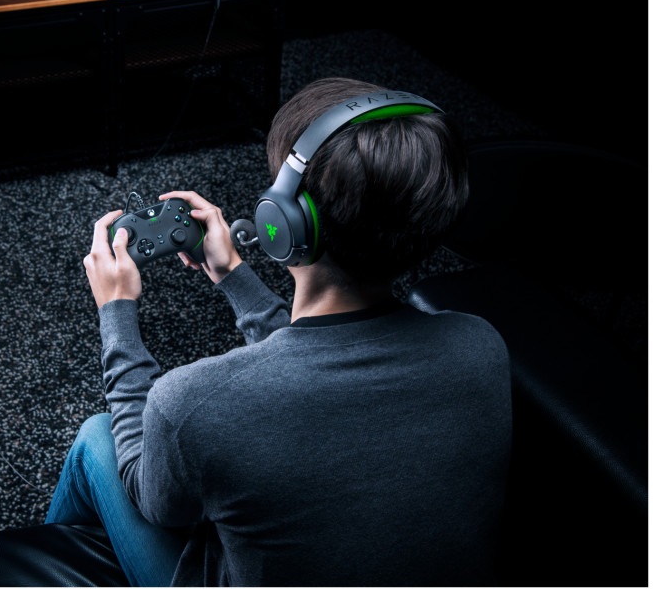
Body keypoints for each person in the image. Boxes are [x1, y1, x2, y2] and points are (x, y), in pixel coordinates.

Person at [46, 77, 512, 586]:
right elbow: (310, 373)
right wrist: (232, 275)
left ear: (285, 222)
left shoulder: (190, 404)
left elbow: (155, 501)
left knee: (99, 438)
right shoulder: (480, 346)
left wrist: (116, 313)